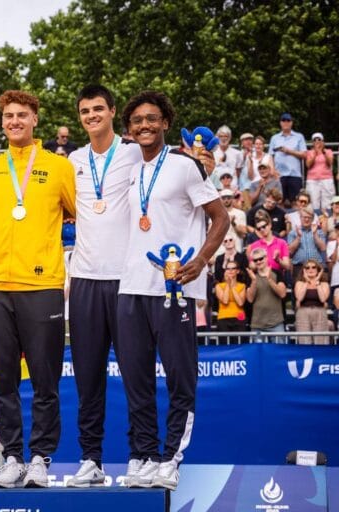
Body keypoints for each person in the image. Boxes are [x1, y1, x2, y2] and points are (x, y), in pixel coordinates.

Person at [116, 90, 227, 490]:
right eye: (137, 121)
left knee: (180, 379)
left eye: (152, 118)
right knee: (136, 379)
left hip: (173, 289)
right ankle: (143, 455)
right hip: (131, 287)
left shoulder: (183, 167)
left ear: (165, 123)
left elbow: (221, 218)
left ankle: (170, 458)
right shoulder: (131, 169)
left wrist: (201, 260)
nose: (144, 125)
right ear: (129, 130)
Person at [0, 90, 75, 489]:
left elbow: (79, 213)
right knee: (3, 381)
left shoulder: (58, 167)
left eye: (22, 115)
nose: (15, 121)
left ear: (36, 120)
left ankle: (41, 458)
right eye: (9, 116)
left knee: (45, 381)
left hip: (43, 283)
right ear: (2, 122)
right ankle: (13, 456)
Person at [64, 84, 143, 488]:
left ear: (113, 111)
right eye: (85, 111)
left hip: (127, 280)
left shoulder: (134, 152)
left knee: (135, 374)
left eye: (98, 108)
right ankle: (90, 459)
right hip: (85, 281)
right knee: (88, 378)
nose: (92, 115)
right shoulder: (73, 160)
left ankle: (139, 456)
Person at [246, 247, 287, 342]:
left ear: (266, 257)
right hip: (257, 324)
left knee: (279, 354)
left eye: (261, 258)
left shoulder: (277, 273)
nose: (259, 261)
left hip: (276, 323)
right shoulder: (252, 277)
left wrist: (270, 280)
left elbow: (282, 294)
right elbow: (250, 299)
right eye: (255, 260)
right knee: (259, 355)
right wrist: (254, 281)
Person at [269, 113, 307, 207]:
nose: (286, 122)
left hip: (294, 175)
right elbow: (271, 156)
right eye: (283, 120)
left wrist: (289, 151)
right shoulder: (274, 138)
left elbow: (304, 154)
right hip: (279, 176)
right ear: (280, 123)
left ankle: (297, 221)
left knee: (296, 203)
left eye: (288, 120)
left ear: (291, 123)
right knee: (279, 202)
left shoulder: (299, 137)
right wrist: (273, 171)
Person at [293, 259, 330, 345]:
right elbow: (299, 297)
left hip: (320, 312)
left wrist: (317, 282)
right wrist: (306, 281)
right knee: (304, 341)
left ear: (318, 270)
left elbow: (323, 299)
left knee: (321, 342)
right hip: (303, 312)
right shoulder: (299, 283)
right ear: (304, 270)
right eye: (307, 267)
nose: (311, 269)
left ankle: (320, 358)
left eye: (314, 267)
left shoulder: (324, 284)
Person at [287, 207, 326, 279]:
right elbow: (290, 251)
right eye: (304, 217)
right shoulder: (293, 232)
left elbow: (323, 248)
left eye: (309, 217)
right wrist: (298, 237)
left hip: (316, 266)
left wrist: (315, 235)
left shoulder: (319, 232)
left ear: (312, 219)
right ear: (300, 217)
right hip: (299, 266)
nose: (306, 219)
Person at [214, 261, 247, 344]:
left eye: (233, 268)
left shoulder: (242, 286)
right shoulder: (219, 286)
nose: (230, 271)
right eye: (228, 269)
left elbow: (240, 303)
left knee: (239, 344)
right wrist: (228, 284)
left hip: (239, 317)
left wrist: (233, 287)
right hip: (223, 317)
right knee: (225, 345)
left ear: (237, 271)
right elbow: (225, 301)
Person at [305, 133, 335, 211]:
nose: (317, 142)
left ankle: (328, 220)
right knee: (313, 202)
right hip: (312, 180)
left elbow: (330, 163)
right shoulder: (310, 152)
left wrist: (323, 152)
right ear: (313, 142)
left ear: (323, 142)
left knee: (328, 202)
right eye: (315, 140)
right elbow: (308, 165)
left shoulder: (328, 151)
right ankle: (315, 220)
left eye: (319, 140)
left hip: (326, 179)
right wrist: (315, 153)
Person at [211, 125, 243, 190]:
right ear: (217, 137)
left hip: (233, 189)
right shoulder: (212, 152)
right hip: (216, 188)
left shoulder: (237, 153)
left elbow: (238, 172)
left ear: (230, 137)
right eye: (221, 136)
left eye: (226, 136)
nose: (223, 138)